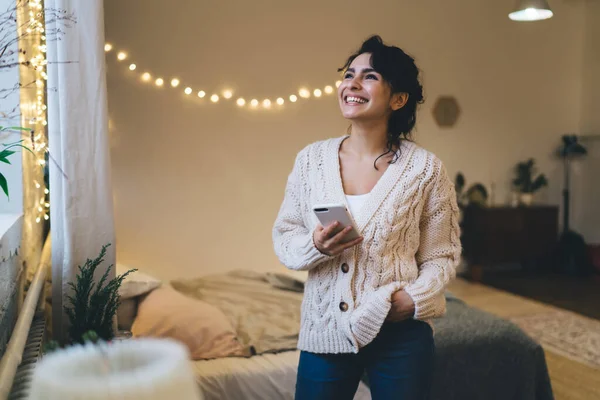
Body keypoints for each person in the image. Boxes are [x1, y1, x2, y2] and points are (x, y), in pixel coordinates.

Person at [272, 35, 461, 400]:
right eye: (349, 74)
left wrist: (413, 300)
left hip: (401, 334)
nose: (352, 84)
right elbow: (285, 235)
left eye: (370, 76)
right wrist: (315, 244)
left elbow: (441, 256)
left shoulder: (426, 170)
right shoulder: (310, 161)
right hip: (326, 326)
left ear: (398, 98)